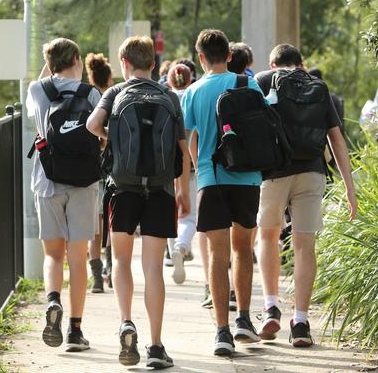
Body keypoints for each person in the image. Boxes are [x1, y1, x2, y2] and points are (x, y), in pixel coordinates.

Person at [87, 36, 191, 369]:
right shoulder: (169, 96)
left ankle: (126, 321)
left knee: (120, 259)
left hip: (123, 188)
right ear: (152, 64)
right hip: (160, 190)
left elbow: (92, 125)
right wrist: (183, 190)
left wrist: (110, 138)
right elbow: (182, 149)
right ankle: (157, 346)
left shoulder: (115, 92)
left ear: (125, 63)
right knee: (152, 268)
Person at [254, 44, 358, 347]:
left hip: (274, 173)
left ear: (273, 64)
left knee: (268, 236)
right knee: (304, 246)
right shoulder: (318, 88)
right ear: (301, 64)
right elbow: (336, 140)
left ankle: (271, 306)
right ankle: (300, 322)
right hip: (312, 172)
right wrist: (350, 190)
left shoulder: (263, 80)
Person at [181, 29, 263, 357]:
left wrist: (195, 167)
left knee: (218, 255)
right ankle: (244, 318)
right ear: (229, 54)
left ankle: (222, 331)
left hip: (210, 179)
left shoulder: (193, 91)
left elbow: (186, 137)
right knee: (243, 248)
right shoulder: (249, 84)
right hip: (247, 178)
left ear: (201, 57)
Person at [26, 38, 101, 352]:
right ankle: (75, 330)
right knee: (78, 258)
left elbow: (45, 80)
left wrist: (52, 63)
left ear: (49, 63)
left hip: (48, 181)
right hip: (84, 183)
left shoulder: (37, 90)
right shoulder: (92, 93)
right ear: (76, 59)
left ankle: (53, 300)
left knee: (53, 256)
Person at [164, 63, 196, 285]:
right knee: (190, 214)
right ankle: (182, 247)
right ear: (190, 79)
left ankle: (172, 250)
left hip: (165, 166)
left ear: (169, 81)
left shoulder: (164, 98)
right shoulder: (194, 96)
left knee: (171, 213)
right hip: (192, 163)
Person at [85, 52, 114, 293]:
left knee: (96, 226)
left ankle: (96, 278)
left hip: (91, 168)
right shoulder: (111, 98)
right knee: (112, 224)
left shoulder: (85, 97)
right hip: (112, 169)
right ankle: (111, 270)